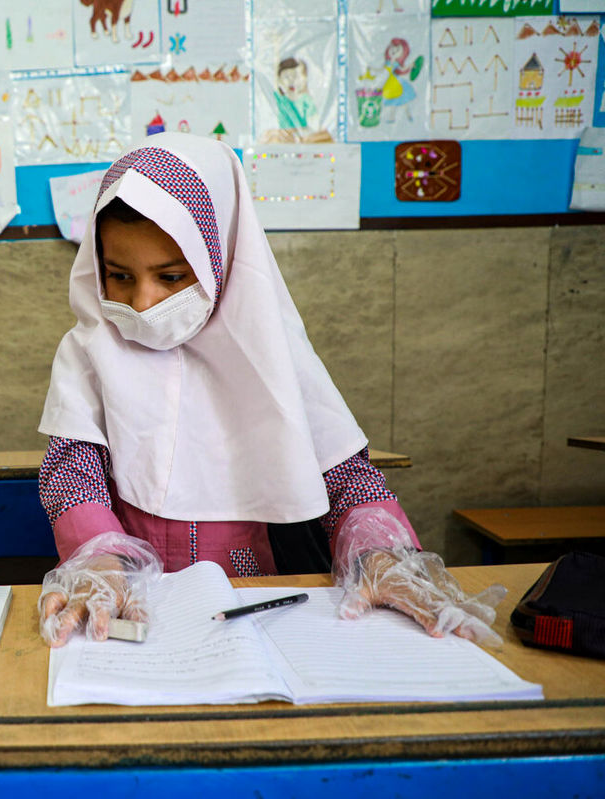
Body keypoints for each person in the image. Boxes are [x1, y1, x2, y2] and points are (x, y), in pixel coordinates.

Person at [36, 133, 505, 648]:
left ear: (223, 258)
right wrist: (99, 557)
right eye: (119, 276)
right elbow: (70, 469)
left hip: (262, 607)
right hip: (132, 607)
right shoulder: (90, 349)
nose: (143, 301)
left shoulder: (272, 353)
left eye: (171, 276)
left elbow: (348, 481)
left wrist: (379, 556)